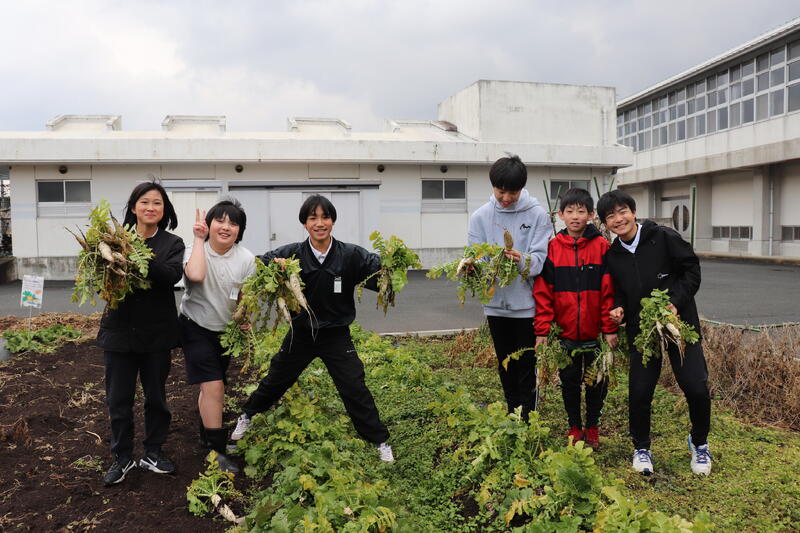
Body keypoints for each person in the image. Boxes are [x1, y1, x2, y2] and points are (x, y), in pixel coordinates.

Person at [229, 194, 394, 462]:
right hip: (302, 334)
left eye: (325, 217)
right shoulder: (290, 254)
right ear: (304, 223)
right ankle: (247, 415)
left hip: (336, 335)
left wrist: (391, 261)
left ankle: (379, 440)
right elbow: (257, 265)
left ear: (333, 221)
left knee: (354, 385)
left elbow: (379, 271)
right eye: (312, 218)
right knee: (276, 378)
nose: (319, 223)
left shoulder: (350, 255)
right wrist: (276, 269)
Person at [596, 189, 711, 476]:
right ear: (605, 224)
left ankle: (699, 443)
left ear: (633, 212)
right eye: (610, 216)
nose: (618, 219)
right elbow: (620, 292)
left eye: (622, 212)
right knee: (640, 391)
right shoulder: (613, 256)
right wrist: (619, 309)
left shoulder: (663, 237)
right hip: (643, 331)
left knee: (696, 387)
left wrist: (675, 302)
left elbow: (692, 271)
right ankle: (641, 448)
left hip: (678, 325)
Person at [99, 181, 185, 486]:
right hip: (119, 333)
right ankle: (122, 457)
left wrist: (137, 254)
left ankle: (152, 452)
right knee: (118, 400)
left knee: (156, 398)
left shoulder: (172, 243)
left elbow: (170, 276)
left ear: (165, 209)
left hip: (156, 335)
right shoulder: (113, 240)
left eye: (157, 203)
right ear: (134, 207)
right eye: (145, 202)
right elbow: (101, 279)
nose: (151, 207)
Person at [467, 155, 551, 422]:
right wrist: (474, 267)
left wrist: (521, 259)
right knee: (505, 363)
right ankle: (513, 414)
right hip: (495, 306)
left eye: (512, 193)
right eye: (500, 191)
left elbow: (539, 260)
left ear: (521, 188)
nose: (505, 198)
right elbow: (476, 256)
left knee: (527, 364)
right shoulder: (480, 216)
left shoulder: (537, 214)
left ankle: (529, 418)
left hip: (526, 306)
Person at [533, 188, 618, 449]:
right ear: (561, 215)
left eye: (581, 211)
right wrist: (543, 330)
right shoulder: (553, 248)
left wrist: (609, 328)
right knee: (569, 382)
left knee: (597, 381)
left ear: (591, 215)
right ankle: (574, 425)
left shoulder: (602, 247)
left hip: (596, 334)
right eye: (570, 211)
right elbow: (544, 293)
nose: (575, 216)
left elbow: (609, 291)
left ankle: (592, 427)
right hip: (565, 333)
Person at [180, 199, 256, 473]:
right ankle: (217, 451)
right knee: (214, 386)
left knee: (212, 385)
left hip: (225, 332)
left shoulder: (246, 259)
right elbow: (196, 275)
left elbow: (244, 296)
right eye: (220, 221)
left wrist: (245, 319)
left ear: (240, 230)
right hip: (195, 325)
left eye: (233, 223)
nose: (226, 227)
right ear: (209, 224)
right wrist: (198, 239)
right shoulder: (194, 250)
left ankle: (207, 433)